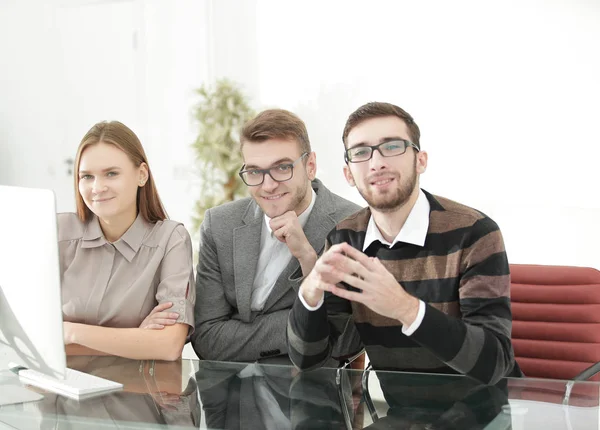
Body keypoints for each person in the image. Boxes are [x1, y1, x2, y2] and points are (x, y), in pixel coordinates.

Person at [288, 102, 522, 384]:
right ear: (349, 174)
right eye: (361, 152)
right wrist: (310, 292)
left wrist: (405, 308)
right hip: (405, 416)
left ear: (420, 160)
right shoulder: (344, 239)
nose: (376, 163)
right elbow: (309, 360)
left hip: (488, 416)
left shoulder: (475, 233)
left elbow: (494, 363)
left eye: (392, 146)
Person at [191, 109, 360, 363]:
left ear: (310, 165)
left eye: (282, 168)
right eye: (254, 172)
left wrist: (308, 259)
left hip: (313, 391)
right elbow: (206, 338)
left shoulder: (352, 224)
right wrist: (301, 323)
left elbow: (348, 339)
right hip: (230, 394)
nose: (268, 185)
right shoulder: (220, 224)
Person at [59, 120, 195, 361]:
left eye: (111, 173)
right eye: (87, 176)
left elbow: (168, 346)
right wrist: (136, 338)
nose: (97, 187)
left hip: (134, 392)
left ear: (141, 175)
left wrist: (69, 332)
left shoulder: (170, 240)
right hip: (62, 391)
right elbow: (35, 340)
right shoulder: (59, 233)